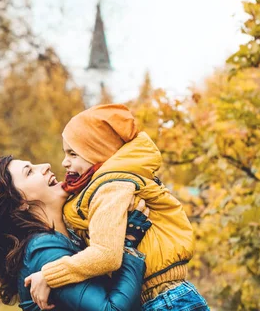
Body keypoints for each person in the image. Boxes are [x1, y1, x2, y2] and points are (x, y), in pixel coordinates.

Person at [25, 104, 209, 311]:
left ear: (98, 152)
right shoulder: (109, 184)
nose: (64, 162)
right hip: (167, 297)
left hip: (166, 301)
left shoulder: (110, 187)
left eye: (73, 154)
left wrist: (49, 275)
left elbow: (106, 255)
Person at [0, 155, 152, 311]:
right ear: (19, 202)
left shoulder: (67, 238)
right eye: (29, 172)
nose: (46, 165)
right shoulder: (43, 251)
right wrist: (127, 244)